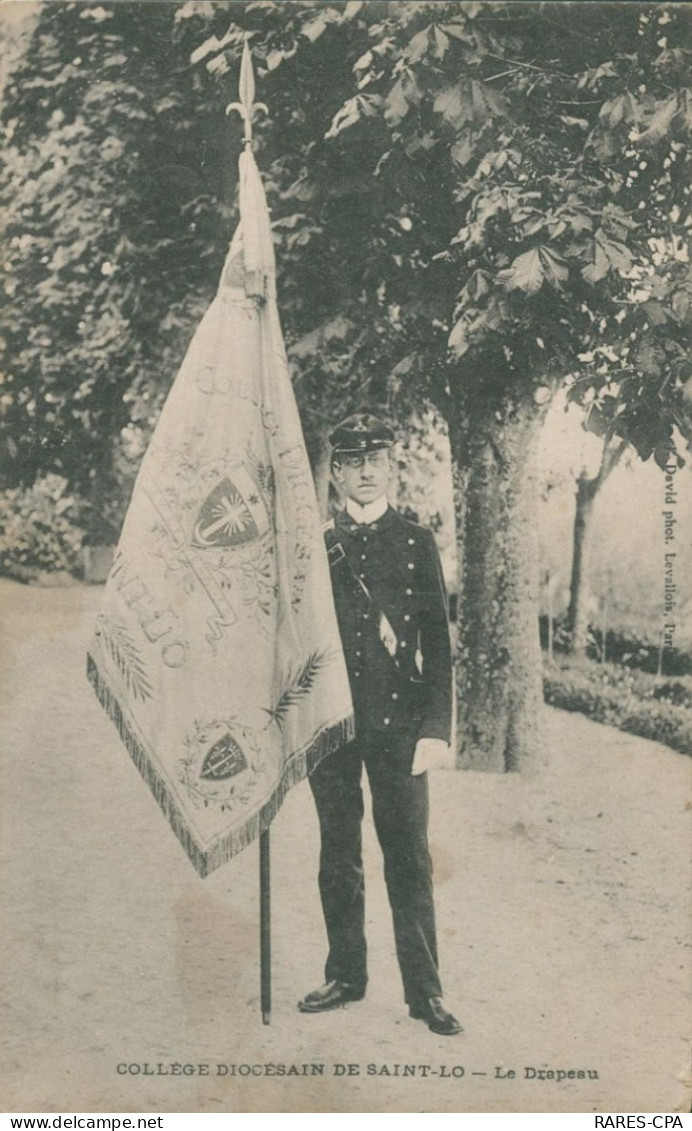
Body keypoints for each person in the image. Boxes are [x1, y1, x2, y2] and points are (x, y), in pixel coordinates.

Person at [298, 412, 462, 1036]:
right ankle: (345, 974)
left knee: (409, 858)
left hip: (399, 727)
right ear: (336, 471)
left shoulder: (417, 542)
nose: (365, 471)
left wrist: (435, 730)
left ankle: (426, 994)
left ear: (389, 466)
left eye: (376, 460)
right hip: (334, 726)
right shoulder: (316, 546)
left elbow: (438, 648)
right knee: (337, 855)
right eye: (352, 461)